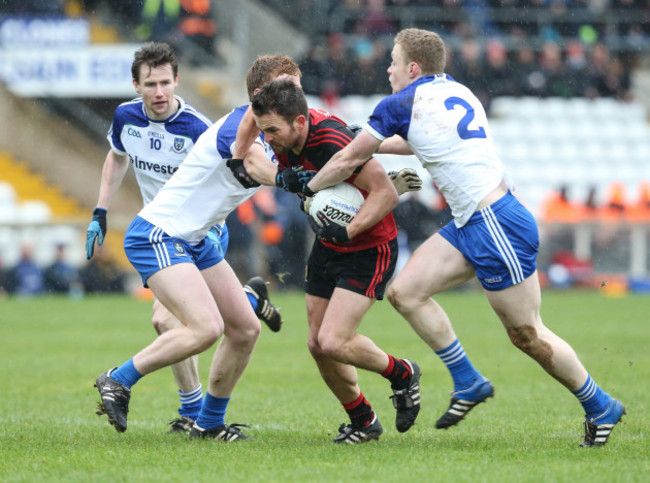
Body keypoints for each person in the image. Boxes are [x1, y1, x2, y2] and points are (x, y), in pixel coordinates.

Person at [305, 28, 625, 447]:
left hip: (495, 224)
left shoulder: (401, 102)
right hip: (475, 220)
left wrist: (308, 187)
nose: (388, 69)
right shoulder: (455, 90)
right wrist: (366, 137)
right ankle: (468, 380)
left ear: (412, 68)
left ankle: (601, 405)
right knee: (406, 292)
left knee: (527, 333)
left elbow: (350, 157)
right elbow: (412, 143)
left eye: (394, 61)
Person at [86, 42, 282, 434]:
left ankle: (190, 409)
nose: (159, 92)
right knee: (176, 323)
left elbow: (218, 183)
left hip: (201, 231)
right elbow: (116, 155)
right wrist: (100, 210)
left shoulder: (197, 127)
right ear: (136, 86)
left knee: (170, 319)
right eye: (150, 84)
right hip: (162, 233)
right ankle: (197, 409)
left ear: (177, 80)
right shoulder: (126, 117)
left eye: (165, 82)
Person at [239, 78, 422, 444]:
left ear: (300, 123)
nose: (268, 139)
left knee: (335, 341)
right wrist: (283, 178)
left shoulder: (330, 141)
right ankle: (363, 421)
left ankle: (402, 373)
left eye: (272, 131)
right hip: (327, 245)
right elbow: (247, 160)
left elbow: (385, 193)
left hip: (369, 248)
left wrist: (349, 230)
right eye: (263, 130)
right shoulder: (283, 136)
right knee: (316, 344)